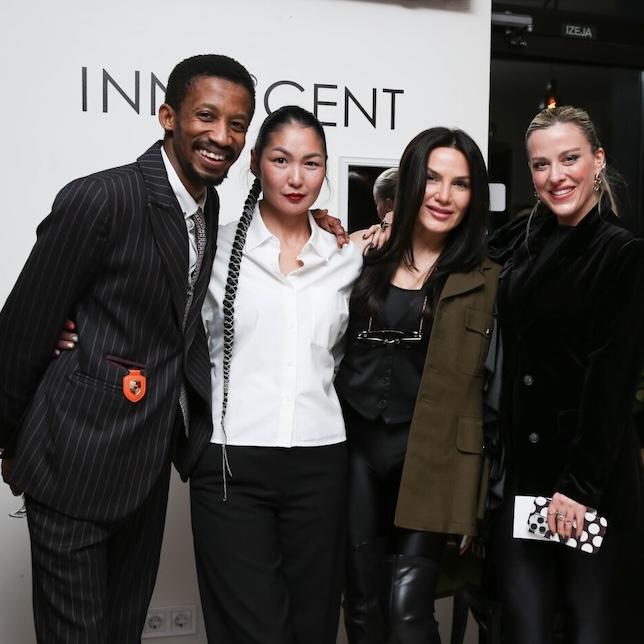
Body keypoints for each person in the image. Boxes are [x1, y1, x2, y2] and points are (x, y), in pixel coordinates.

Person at [0, 54, 256, 643]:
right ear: (168, 116)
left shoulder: (208, 205)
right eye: (207, 116)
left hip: (143, 469)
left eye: (237, 124)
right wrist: (13, 443)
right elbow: (23, 328)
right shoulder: (101, 198)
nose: (222, 137)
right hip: (70, 460)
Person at [191, 105, 368, 644]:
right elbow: (149, 318)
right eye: (281, 160)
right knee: (251, 631)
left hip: (321, 462)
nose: (296, 178)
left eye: (311, 163)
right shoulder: (211, 247)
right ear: (255, 164)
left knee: (313, 627)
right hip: (230, 463)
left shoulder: (348, 256)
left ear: (325, 170)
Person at [335, 127, 500, 643]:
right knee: (362, 605)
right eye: (431, 178)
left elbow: (486, 399)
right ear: (409, 183)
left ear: (474, 196)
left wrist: (472, 500)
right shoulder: (362, 258)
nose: (443, 195)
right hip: (356, 453)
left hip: (429, 460)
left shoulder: (486, 279)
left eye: (460, 183)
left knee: (407, 610)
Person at [488, 106, 644, 644]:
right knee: (524, 626)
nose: (555, 176)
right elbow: (459, 255)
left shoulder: (623, 254)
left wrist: (577, 488)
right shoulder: (525, 236)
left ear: (597, 161)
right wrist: (383, 230)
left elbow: (611, 383)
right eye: (541, 164)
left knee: (588, 626)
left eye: (569, 159)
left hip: (585, 481)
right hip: (524, 478)